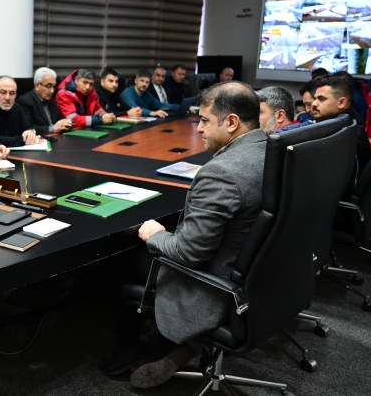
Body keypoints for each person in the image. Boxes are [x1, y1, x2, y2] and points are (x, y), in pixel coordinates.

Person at [101, 82, 267, 389]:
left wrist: (154, 233)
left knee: (120, 258)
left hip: (212, 286)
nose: (199, 128)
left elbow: (188, 253)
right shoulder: (269, 149)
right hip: (256, 277)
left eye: (204, 121)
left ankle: (133, 350)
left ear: (231, 122)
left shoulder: (223, 173)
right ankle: (173, 342)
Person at [311, 76, 371, 176]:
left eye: (321, 99)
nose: (314, 103)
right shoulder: (346, 121)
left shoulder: (344, 133)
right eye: (315, 99)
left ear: (342, 103)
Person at [0, 75, 47, 147]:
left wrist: (30, 132)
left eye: (12, 93)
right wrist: (25, 140)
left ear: (16, 95)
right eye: (3, 92)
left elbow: (28, 127)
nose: (7, 97)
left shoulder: (16, 107)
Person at [16, 67, 74, 136]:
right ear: (37, 86)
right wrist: (53, 128)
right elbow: (28, 128)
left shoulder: (52, 101)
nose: (52, 91)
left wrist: (65, 124)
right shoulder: (24, 102)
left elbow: (57, 121)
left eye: (53, 86)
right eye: (48, 86)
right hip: (40, 141)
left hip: (56, 137)